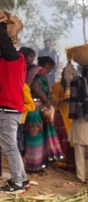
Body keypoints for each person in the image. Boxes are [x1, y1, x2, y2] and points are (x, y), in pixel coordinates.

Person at [0, 21, 28, 192]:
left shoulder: (14, 58)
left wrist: (1, 27)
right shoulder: (8, 61)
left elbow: (4, 42)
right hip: (11, 108)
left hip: (8, 108)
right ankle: (21, 179)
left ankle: (17, 182)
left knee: (9, 146)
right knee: (10, 145)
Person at [24, 56, 63, 172]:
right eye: (50, 69)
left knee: (39, 136)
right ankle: (33, 165)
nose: (50, 71)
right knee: (35, 137)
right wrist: (46, 101)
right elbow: (35, 88)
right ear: (47, 66)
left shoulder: (37, 73)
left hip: (38, 108)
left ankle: (38, 163)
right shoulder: (37, 74)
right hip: (35, 109)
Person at [51, 67, 74, 169]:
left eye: (72, 74)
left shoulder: (77, 87)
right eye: (68, 74)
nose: (70, 76)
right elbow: (52, 99)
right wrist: (62, 99)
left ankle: (70, 161)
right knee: (62, 137)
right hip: (61, 114)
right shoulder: (57, 86)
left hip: (73, 116)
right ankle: (59, 160)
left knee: (72, 139)